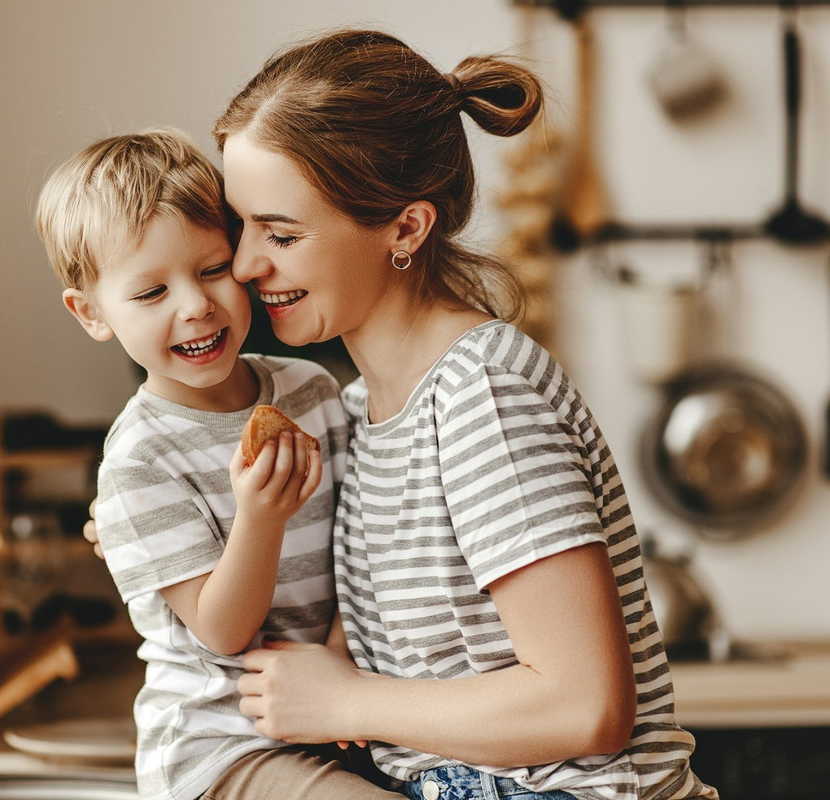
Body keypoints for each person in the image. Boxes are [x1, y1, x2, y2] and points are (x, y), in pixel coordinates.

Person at [87, 29, 717, 800]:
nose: (247, 266)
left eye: (281, 234)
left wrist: (344, 701)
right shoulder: (356, 412)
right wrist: (139, 523)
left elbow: (587, 707)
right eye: (243, 226)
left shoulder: (481, 398)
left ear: (406, 229)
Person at [35, 128, 403, 800]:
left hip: (339, 713)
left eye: (211, 269)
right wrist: (260, 517)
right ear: (91, 314)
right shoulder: (138, 462)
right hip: (222, 748)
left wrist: (345, 663)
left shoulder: (311, 391)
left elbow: (366, 544)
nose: (196, 304)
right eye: (151, 294)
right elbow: (223, 631)